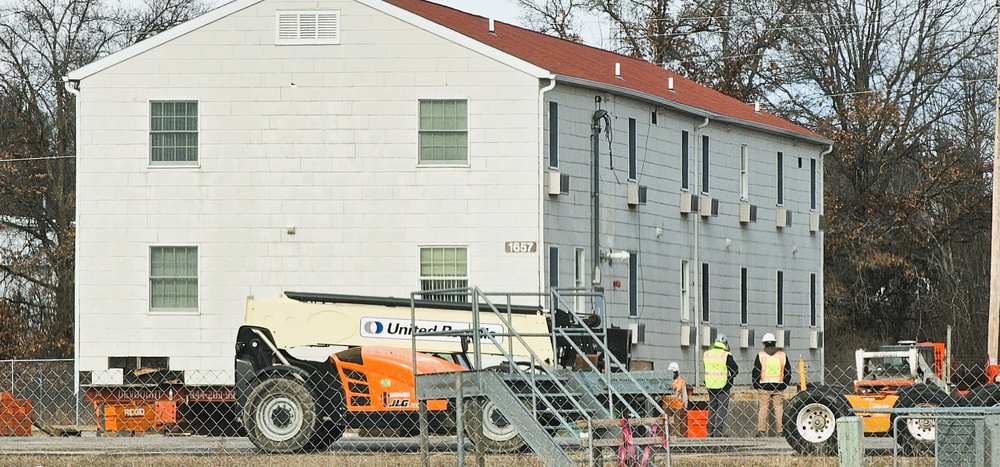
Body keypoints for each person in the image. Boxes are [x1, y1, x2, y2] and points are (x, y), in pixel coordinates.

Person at [752, 332, 792, 437]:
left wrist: (756, 384)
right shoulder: (782, 355)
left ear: (764, 344)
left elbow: (756, 371)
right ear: (774, 343)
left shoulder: (761, 355)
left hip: (764, 386)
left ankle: (761, 431)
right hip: (778, 385)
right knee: (778, 408)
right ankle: (780, 431)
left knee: (763, 407)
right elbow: (788, 371)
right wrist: (784, 384)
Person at [703, 334, 738, 437]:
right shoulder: (726, 355)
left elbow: (706, 368)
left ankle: (709, 431)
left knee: (712, 407)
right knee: (722, 408)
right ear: (725, 344)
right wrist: (729, 379)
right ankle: (718, 431)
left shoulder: (707, 354)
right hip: (723, 385)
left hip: (710, 385)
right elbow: (735, 370)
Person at [663, 361, 689, 437]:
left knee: (675, 422)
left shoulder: (681, 382)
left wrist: (685, 404)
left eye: (674, 372)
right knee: (666, 422)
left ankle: (675, 437)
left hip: (676, 405)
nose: (672, 374)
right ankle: (667, 437)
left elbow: (684, 394)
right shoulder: (665, 380)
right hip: (667, 405)